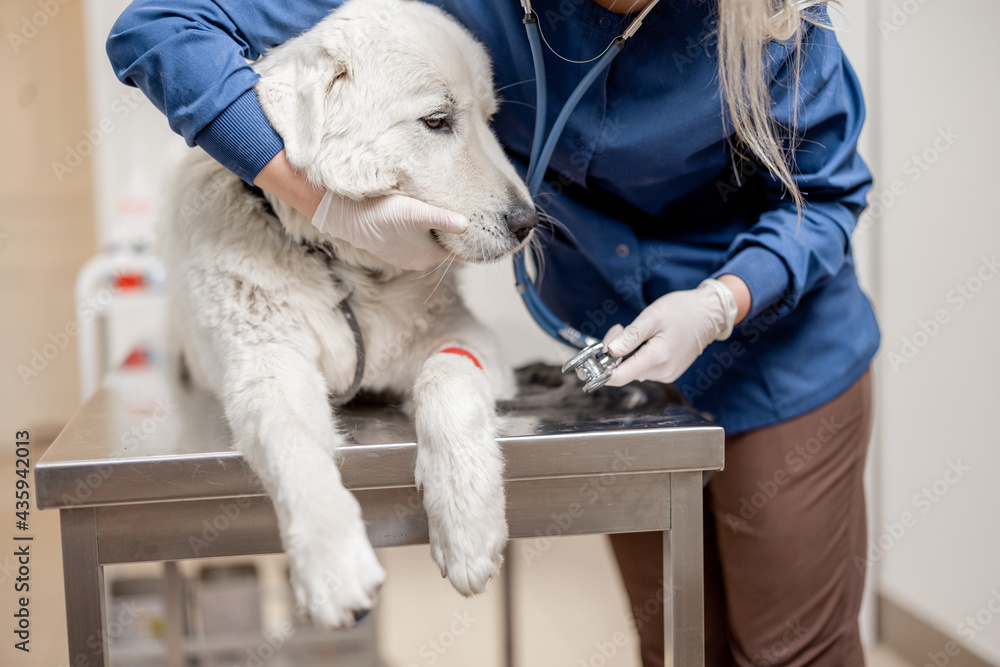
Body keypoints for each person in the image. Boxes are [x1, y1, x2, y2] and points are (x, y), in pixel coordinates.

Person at [107, 0, 878, 664]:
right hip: (621, 361)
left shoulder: (774, 22)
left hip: (781, 352)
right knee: (676, 646)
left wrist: (722, 301)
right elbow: (157, 28)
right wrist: (316, 197)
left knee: (788, 652)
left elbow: (829, 193)